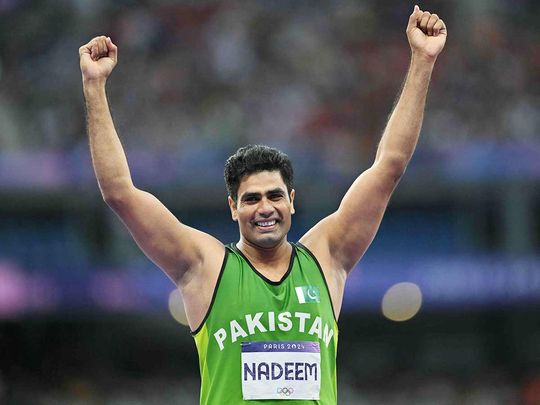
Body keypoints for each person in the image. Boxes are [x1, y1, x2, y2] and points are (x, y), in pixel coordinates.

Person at [79, 5, 446, 404]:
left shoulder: (327, 257)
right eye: (251, 199)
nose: (264, 208)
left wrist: (422, 60)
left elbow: (389, 166)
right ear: (233, 208)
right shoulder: (205, 267)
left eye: (274, 196)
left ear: (291, 201)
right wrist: (94, 86)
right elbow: (119, 192)